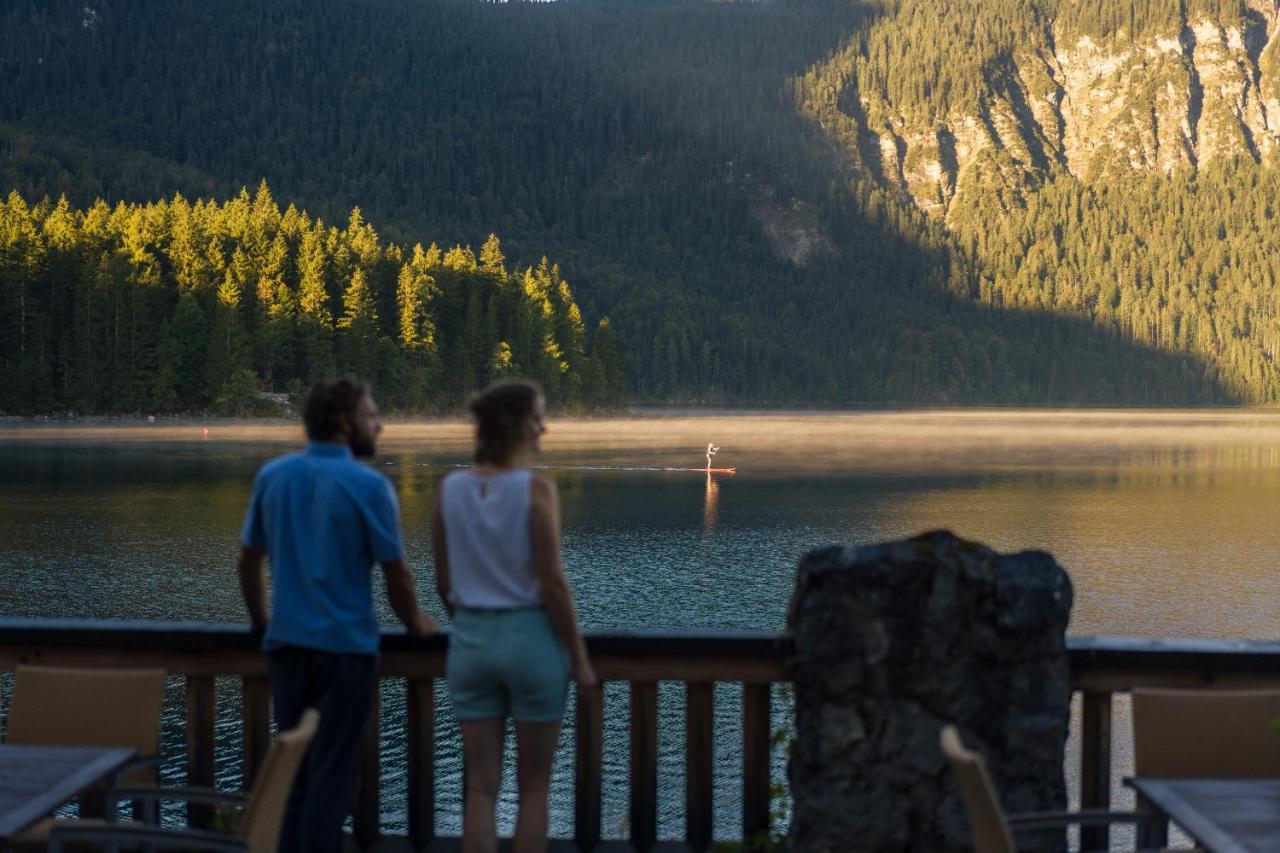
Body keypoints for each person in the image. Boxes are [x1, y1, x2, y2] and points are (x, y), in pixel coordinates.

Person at [237, 379, 439, 853]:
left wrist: (263, 621)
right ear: (346, 422)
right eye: (372, 415)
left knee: (293, 776)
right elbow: (398, 578)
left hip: (286, 650)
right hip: (345, 654)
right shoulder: (368, 486)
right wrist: (419, 625)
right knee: (331, 779)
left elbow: (248, 563)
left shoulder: (274, 476)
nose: (381, 424)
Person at [433, 379, 596, 853]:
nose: (544, 426)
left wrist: (471, 623)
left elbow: (445, 585)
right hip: (531, 643)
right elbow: (552, 583)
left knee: (481, 788)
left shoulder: (450, 489)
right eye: (538, 416)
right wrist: (580, 658)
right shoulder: (536, 490)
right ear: (517, 426)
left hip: (470, 642)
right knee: (534, 788)